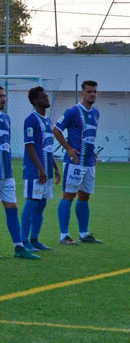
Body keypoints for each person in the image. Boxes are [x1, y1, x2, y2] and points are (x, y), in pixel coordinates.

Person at [0, 85, 39, 260]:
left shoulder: (6, 118)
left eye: (4, 96)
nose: (3, 99)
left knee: (12, 208)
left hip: (7, 173)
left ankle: (18, 247)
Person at [53, 80, 103, 245]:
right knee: (68, 196)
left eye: (94, 91)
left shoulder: (95, 113)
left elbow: (88, 136)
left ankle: (84, 234)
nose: (92, 94)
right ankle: (63, 235)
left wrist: (92, 150)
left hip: (89, 162)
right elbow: (56, 129)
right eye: (89, 92)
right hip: (75, 162)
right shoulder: (73, 111)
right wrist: (68, 148)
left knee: (84, 196)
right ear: (82, 93)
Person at [20, 86, 60, 251]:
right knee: (31, 203)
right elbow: (29, 145)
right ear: (36, 101)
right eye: (44, 97)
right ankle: (23, 242)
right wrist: (40, 168)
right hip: (34, 171)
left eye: (47, 96)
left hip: (47, 171)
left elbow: (48, 147)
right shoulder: (31, 120)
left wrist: (55, 168)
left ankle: (35, 239)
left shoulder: (47, 120)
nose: (47, 99)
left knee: (41, 205)